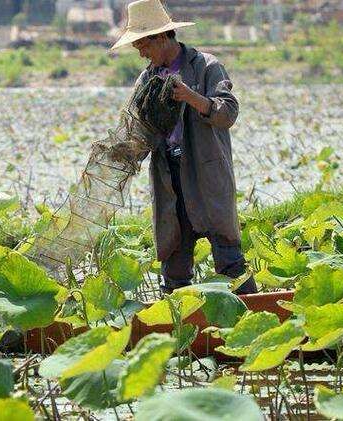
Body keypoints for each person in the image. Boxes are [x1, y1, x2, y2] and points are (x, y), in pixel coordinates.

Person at [111, 0, 258, 295]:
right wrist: (121, 152)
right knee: (174, 261)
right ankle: (178, 327)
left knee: (228, 256)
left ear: (162, 37)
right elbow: (139, 130)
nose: (141, 53)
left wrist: (191, 97)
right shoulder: (147, 78)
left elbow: (227, 113)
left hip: (206, 173)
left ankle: (255, 311)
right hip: (169, 177)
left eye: (143, 45)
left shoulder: (206, 66)